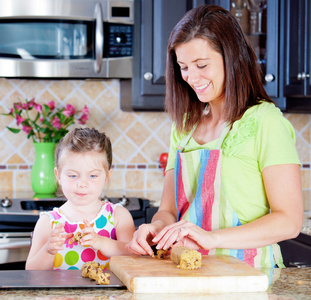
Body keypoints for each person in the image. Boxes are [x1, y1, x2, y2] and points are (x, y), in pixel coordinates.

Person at [126, 5, 303, 268]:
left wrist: (211, 239)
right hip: (187, 273)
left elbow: (289, 221)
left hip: (249, 277)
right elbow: (168, 210)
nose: (191, 77)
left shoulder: (266, 123)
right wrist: (155, 228)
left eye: (201, 65)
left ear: (231, 58)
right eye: (183, 67)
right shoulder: (184, 125)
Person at [26, 128, 135, 270]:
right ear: (58, 175)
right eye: (72, 175)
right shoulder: (48, 222)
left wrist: (102, 243)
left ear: (107, 176)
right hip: (61, 293)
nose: (82, 183)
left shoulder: (118, 216)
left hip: (110, 293)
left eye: (93, 176)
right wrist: (48, 250)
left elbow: (133, 256)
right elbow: (31, 272)